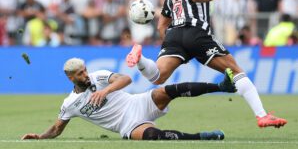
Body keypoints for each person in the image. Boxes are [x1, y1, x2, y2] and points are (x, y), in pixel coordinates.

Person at [126, 0, 287, 128]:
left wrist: (175, 46)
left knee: (158, 76)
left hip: (174, 35)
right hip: (196, 33)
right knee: (235, 70)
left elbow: (161, 25)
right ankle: (262, 115)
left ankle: (140, 59)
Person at [21, 58, 237, 141]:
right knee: (153, 136)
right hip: (127, 124)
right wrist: (40, 137)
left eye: (85, 70)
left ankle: (221, 86)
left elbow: (125, 79)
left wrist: (105, 91)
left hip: (137, 102)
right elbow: (57, 128)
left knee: (167, 90)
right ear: (71, 78)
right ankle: (203, 137)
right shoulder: (69, 104)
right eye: (80, 74)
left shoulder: (99, 77)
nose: (85, 75)